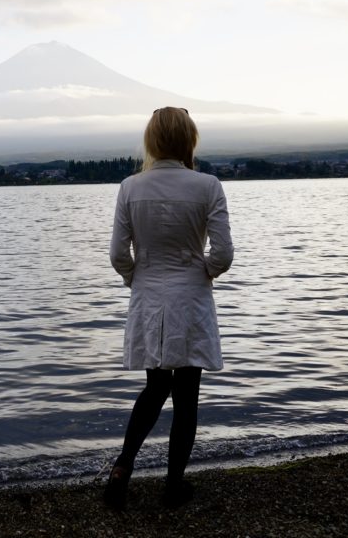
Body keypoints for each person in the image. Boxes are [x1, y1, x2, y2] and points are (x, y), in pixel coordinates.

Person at [104, 106, 233, 510]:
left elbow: (117, 254)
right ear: (188, 139)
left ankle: (123, 468)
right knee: (187, 396)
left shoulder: (130, 186)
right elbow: (224, 253)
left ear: (152, 140)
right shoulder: (207, 185)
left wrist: (136, 279)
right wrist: (201, 272)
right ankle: (173, 486)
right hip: (191, 299)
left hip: (149, 297)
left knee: (155, 387)